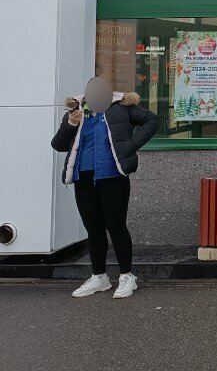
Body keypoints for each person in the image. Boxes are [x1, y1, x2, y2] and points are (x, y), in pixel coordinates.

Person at [51, 77, 158, 299]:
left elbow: (151, 120)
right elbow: (58, 144)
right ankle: (99, 277)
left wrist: (132, 145)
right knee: (93, 228)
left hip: (113, 176)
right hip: (83, 177)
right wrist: (70, 124)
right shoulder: (76, 112)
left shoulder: (122, 108)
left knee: (116, 226)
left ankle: (127, 276)